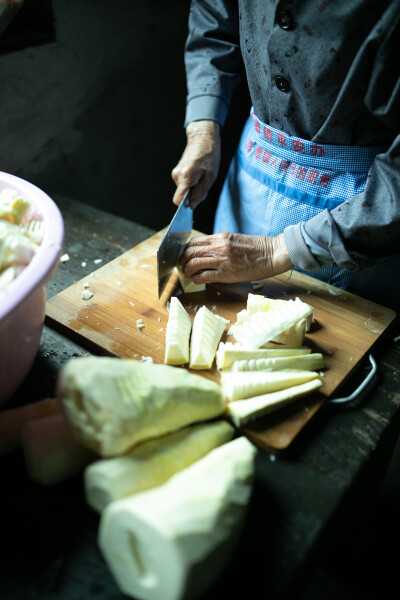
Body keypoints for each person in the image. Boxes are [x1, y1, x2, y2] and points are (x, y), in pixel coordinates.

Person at [172, 0, 400, 311]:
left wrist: (273, 252)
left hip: (368, 207)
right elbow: (213, 12)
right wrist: (202, 131)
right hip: (252, 173)